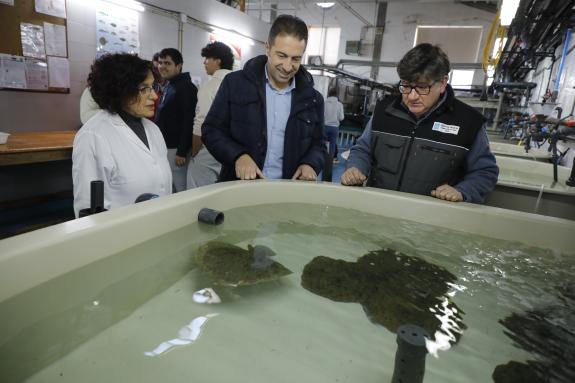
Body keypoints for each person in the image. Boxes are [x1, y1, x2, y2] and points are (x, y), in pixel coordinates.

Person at [341, 43, 498, 203]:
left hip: (431, 219)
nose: (412, 96)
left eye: (422, 87)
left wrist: (463, 191)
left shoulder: (468, 122)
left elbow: (485, 172)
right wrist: (355, 167)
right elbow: (363, 150)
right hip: (380, 208)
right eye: (406, 86)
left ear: (443, 83)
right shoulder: (384, 111)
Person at [202, 14, 326, 182]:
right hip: (240, 189)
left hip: (288, 194)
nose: (288, 67)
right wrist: (238, 156)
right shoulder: (235, 84)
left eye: (296, 58)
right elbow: (211, 130)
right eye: (281, 56)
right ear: (267, 48)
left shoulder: (312, 99)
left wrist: (310, 164)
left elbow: (319, 144)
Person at [72, 53, 172, 217]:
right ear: (120, 90)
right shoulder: (93, 136)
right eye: (144, 89)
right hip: (121, 237)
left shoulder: (153, 130)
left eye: (153, 87)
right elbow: (88, 209)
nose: (154, 96)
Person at [186, 41, 233, 188]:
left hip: (209, 149)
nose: (204, 63)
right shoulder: (240, 84)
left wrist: (195, 152)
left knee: (196, 191)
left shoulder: (209, 87)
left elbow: (200, 122)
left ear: (218, 61)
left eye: (207, 59)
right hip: (233, 150)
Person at [154, 48, 198, 192]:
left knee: (180, 187)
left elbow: (188, 119)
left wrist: (182, 150)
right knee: (170, 185)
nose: (162, 66)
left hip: (176, 149)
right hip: (166, 146)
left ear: (178, 66)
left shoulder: (186, 88)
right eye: (160, 63)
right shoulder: (171, 85)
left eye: (167, 63)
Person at [324, 87, 344, 163]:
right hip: (334, 128)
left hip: (325, 127)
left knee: (323, 144)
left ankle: (322, 159)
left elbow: (321, 115)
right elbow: (341, 118)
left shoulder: (324, 103)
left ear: (329, 93)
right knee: (332, 146)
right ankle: (330, 161)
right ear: (337, 95)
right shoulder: (340, 104)